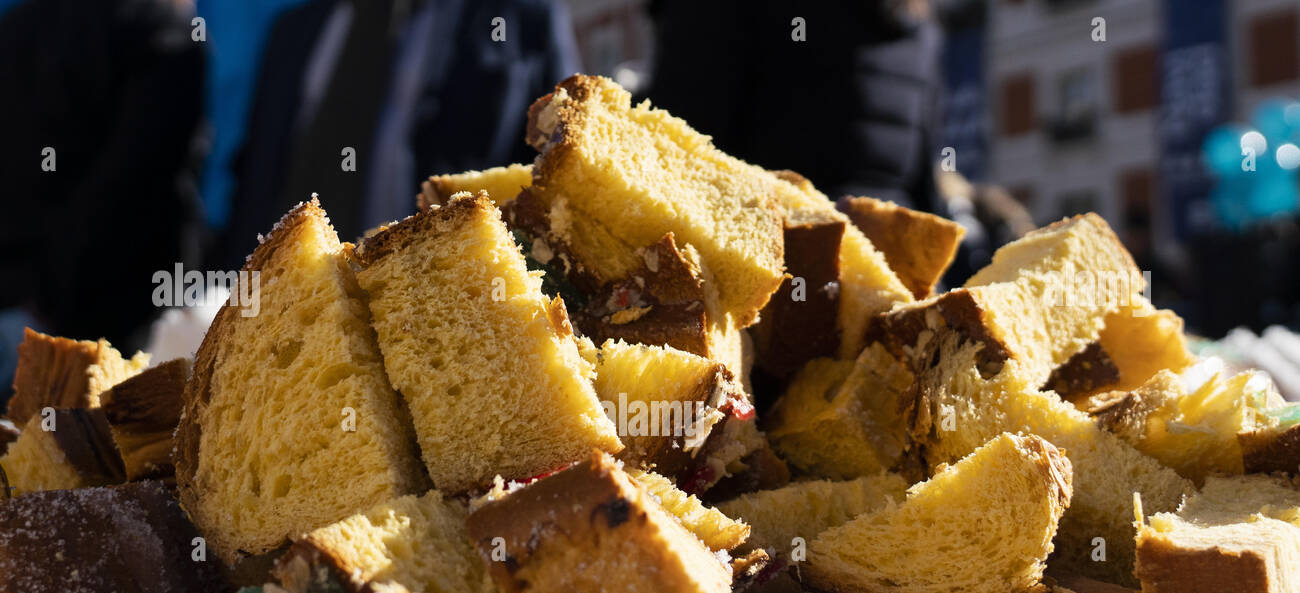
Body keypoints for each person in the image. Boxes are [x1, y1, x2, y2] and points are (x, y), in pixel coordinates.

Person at [215, 0, 579, 269]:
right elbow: (254, 178)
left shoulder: (520, 18)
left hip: (441, 316)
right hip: (284, 310)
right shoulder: (294, 29)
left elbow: (561, 172)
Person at [0, 0, 205, 394]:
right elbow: (133, 183)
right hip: (112, 332)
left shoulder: (15, 25)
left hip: (21, 315)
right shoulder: (162, 29)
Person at [645, 0, 944, 212]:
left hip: (776, 265)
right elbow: (924, 188)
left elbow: (676, 144)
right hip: (894, 271)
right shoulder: (918, 23)